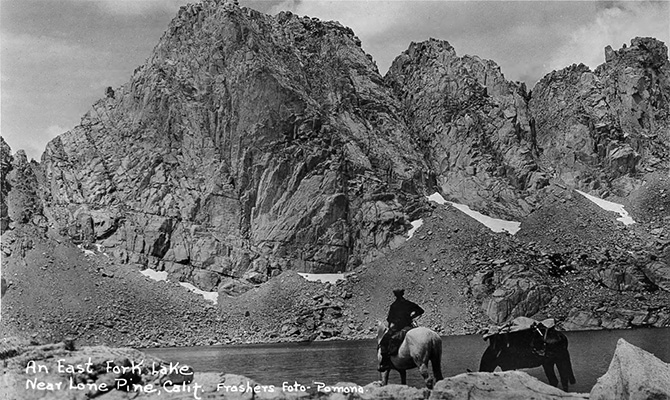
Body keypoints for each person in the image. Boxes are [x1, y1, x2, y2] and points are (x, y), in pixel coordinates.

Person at [378, 289, 424, 372]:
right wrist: (412, 316)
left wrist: (391, 324)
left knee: (383, 341)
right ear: (403, 294)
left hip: (397, 327)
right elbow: (421, 310)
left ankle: (385, 363)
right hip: (408, 326)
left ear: (395, 295)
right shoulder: (409, 303)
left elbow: (389, 319)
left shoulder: (394, 305)